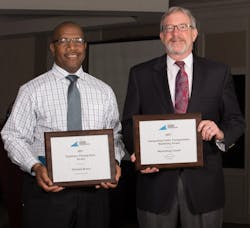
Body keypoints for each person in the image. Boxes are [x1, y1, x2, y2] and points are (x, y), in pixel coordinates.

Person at [122, 6, 245, 228]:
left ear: (194, 33)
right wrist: (139, 155)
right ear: (161, 36)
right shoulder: (140, 74)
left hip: (204, 187)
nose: (175, 33)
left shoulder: (218, 72)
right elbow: (129, 124)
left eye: (182, 27)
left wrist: (220, 132)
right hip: (154, 185)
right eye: (169, 28)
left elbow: (236, 120)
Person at [1, 21, 125, 228]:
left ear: (85, 46)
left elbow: (116, 135)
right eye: (64, 41)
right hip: (47, 191)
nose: (72, 47)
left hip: (94, 194)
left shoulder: (104, 91)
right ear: (52, 47)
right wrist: (35, 166)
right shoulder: (32, 90)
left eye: (77, 40)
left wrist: (115, 161)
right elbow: (12, 136)